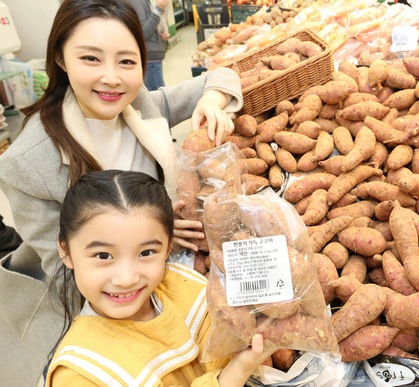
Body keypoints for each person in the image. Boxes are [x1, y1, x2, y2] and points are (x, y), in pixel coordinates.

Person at [0, 0, 241, 386]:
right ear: (60, 58)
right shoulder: (27, 163)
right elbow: (66, 271)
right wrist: (149, 240)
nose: (111, 78)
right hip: (90, 299)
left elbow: (224, 76)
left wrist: (211, 103)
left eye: (127, 62)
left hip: (157, 269)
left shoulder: (138, 104)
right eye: (91, 59)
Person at [45, 170, 272, 386]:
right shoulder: (79, 375)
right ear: (65, 251)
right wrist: (237, 372)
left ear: (168, 246)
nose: (127, 278)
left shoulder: (182, 285)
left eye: (146, 253)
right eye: (103, 255)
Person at [128, 0, 171, 91]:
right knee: (157, 96)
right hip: (150, 57)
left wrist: (161, 34)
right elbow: (143, 32)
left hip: (152, 55)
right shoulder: (136, 2)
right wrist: (159, 10)